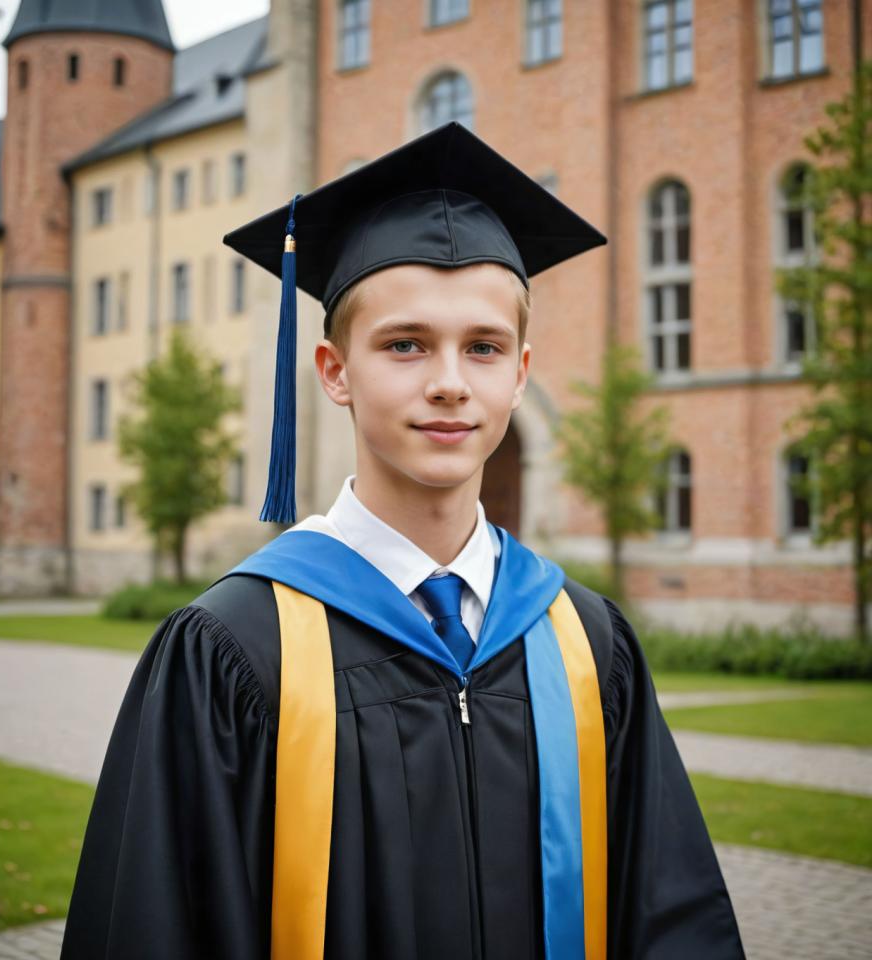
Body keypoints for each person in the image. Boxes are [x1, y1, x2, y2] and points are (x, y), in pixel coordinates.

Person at [60, 121, 745, 959]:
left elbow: (670, 920)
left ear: (521, 372)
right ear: (335, 370)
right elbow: (155, 926)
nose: (451, 382)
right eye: (406, 344)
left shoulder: (585, 643)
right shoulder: (236, 649)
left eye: (483, 348)